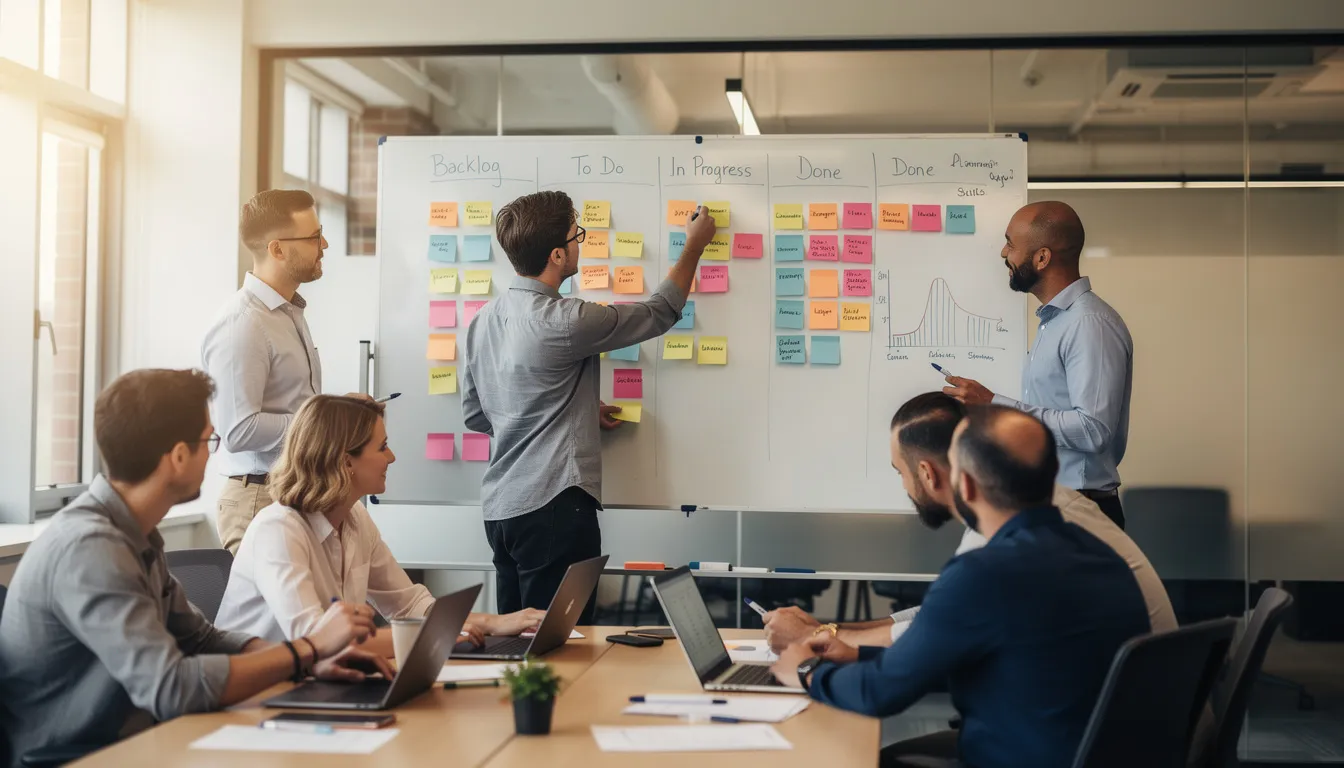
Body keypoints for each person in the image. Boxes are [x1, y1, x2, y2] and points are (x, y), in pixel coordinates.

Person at [0, 370, 390, 765]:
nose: (213, 453)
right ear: (179, 456)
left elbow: (201, 640)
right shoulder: (91, 549)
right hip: (75, 757)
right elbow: (171, 687)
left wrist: (308, 662)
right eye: (209, 440)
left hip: (135, 744)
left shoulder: (134, 534)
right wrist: (306, 649)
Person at [770, 406, 1151, 768]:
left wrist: (803, 669)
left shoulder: (985, 572)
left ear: (964, 484)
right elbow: (970, 657)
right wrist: (856, 655)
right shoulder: (1101, 555)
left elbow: (880, 693)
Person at [461, 191, 716, 624]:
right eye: (576, 236)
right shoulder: (567, 319)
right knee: (561, 643)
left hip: (502, 511)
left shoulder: (483, 319)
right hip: (554, 506)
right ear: (558, 254)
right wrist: (694, 245)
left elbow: (475, 414)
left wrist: (570, 412)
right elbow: (660, 312)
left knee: (518, 645)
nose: (581, 242)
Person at [763, 392, 1174, 652]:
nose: (903, 485)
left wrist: (816, 640)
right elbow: (941, 615)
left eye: (899, 471)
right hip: (1133, 724)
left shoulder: (1017, 531)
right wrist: (829, 629)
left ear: (927, 473)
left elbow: (921, 645)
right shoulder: (1026, 503)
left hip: (1103, 739)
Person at [216, 395, 546, 658]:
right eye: (382, 446)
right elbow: (319, 643)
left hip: (317, 687)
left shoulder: (355, 518)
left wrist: (494, 622)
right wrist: (437, 636)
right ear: (346, 462)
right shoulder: (278, 530)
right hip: (259, 702)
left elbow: (407, 605)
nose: (392, 457)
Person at [942, 201, 1133, 528]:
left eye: (1011, 244)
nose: (1004, 253)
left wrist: (995, 404)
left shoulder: (1088, 324)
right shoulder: (1055, 323)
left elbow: (1093, 430)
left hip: (1080, 510)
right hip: (1056, 504)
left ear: (1042, 258)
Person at [202, 189, 365, 554]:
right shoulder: (243, 325)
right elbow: (238, 430)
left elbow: (291, 404)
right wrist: (322, 425)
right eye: (313, 237)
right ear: (277, 249)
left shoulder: (288, 314)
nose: (324, 244)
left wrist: (337, 410)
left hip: (292, 491)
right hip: (258, 499)